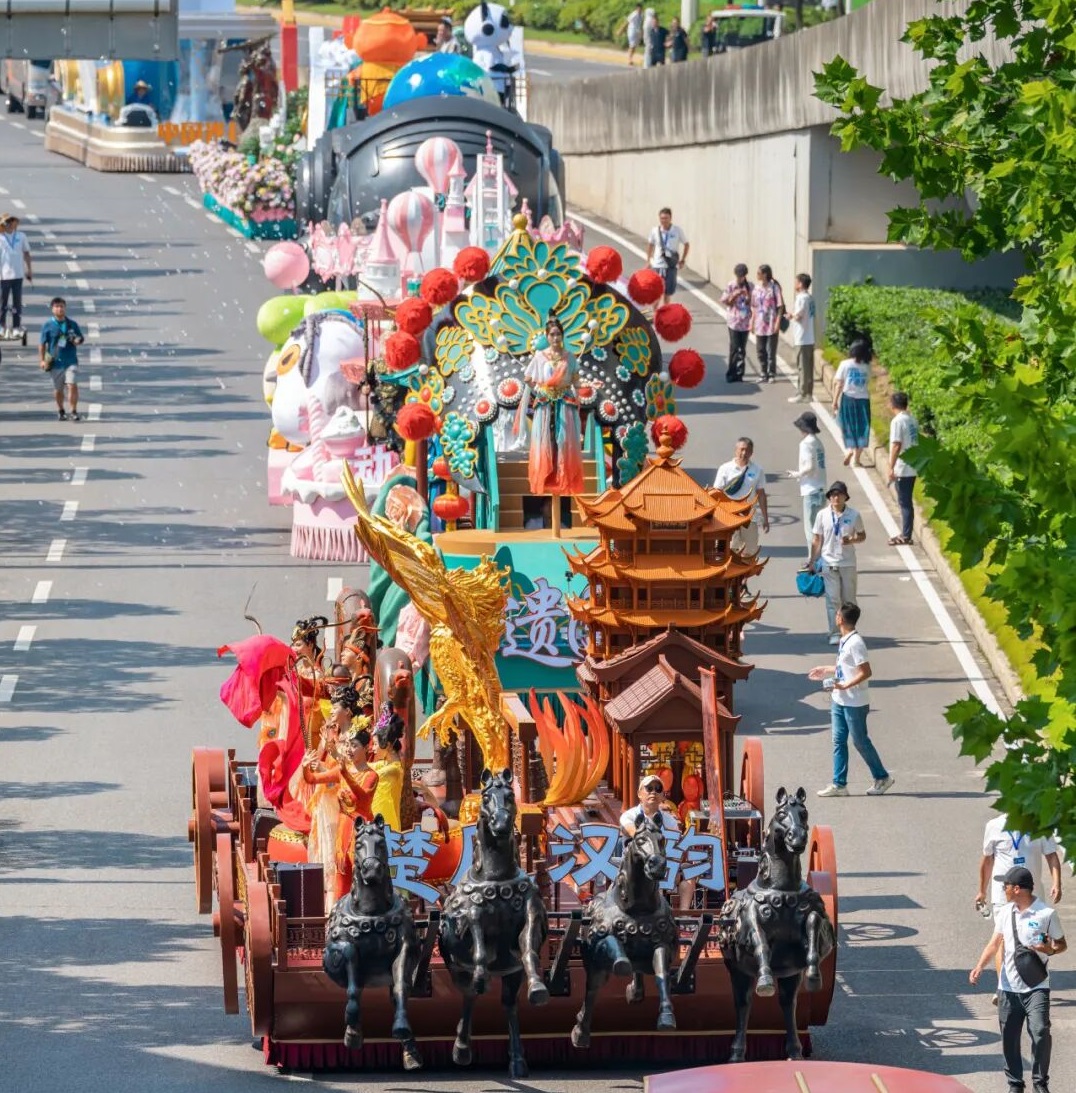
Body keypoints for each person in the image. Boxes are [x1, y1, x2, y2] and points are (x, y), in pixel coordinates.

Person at [970, 865, 1066, 1093]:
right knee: (1009, 1039)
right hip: (1008, 987)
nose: (1002, 889)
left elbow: (1062, 945)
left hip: (1036, 987)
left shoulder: (1046, 914)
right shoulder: (1005, 912)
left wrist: (1048, 950)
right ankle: (1015, 1084)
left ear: (1016, 889)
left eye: (1005, 886)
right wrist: (979, 966)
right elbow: (995, 943)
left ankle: (1040, 1083)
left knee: (1040, 1031)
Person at [809, 602, 893, 798]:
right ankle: (839, 784)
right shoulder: (845, 640)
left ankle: (882, 777)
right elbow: (846, 667)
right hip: (840, 699)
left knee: (860, 741)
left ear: (840, 619)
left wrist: (845, 685)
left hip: (854, 702)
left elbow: (866, 672)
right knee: (838, 740)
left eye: (837, 614)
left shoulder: (856, 643)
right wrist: (827, 669)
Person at [978, 816, 1063, 1007]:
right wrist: (982, 890)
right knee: (1002, 939)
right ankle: (1003, 987)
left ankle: (1037, 983)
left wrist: (1057, 882)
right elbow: (987, 860)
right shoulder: (994, 826)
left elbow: (1051, 854)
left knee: (1036, 939)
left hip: (1033, 895)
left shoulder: (1039, 823)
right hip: (1003, 894)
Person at [516, 317, 584, 500]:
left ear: (562, 336)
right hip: (545, 402)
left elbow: (576, 381)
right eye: (552, 334)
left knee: (564, 442)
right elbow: (528, 377)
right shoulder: (540, 357)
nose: (555, 338)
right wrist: (540, 386)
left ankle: (563, 477)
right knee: (545, 442)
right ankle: (547, 477)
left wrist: (579, 392)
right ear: (547, 336)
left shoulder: (569, 357)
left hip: (565, 403)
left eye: (558, 334)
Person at [620, 774, 694, 911]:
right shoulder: (629, 815)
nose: (653, 792)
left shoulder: (670, 821)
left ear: (662, 796)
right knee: (654, 875)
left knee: (689, 873)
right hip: (636, 868)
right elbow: (632, 832)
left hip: (664, 866)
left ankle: (684, 916)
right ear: (639, 794)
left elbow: (675, 847)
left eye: (658, 788)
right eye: (649, 788)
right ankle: (657, 912)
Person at [807, 480, 865, 643]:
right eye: (832, 495)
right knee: (833, 599)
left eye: (838, 494)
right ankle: (834, 632)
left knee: (849, 600)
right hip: (828, 562)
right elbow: (817, 538)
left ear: (845, 497)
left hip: (848, 563)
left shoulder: (854, 515)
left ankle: (849, 631)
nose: (835, 497)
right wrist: (812, 560)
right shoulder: (822, 515)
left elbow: (862, 536)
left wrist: (852, 540)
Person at [713, 437, 768, 556]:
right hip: (729, 518)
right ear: (735, 450)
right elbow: (716, 493)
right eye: (741, 449)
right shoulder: (725, 469)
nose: (744, 453)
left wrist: (765, 518)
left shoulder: (757, 470)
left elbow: (761, 494)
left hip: (750, 518)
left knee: (750, 552)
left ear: (752, 452)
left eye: (747, 450)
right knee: (730, 552)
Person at [787, 411, 826, 561]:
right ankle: (820, 558)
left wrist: (797, 474)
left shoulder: (806, 444)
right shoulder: (818, 443)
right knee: (819, 529)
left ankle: (813, 560)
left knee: (810, 530)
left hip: (811, 490)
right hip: (821, 489)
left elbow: (810, 466)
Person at [39, 296, 84, 422]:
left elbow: (80, 338)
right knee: (58, 389)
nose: (60, 309)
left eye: (62, 306)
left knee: (72, 384)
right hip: (55, 362)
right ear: (52, 309)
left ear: (65, 308)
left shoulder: (72, 324)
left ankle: (73, 411)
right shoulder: (47, 326)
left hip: (71, 361)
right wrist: (42, 360)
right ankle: (61, 410)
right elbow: (42, 344)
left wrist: (77, 341)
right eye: (57, 307)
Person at [833, 336, 872, 466]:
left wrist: (834, 401)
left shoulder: (845, 364)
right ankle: (857, 459)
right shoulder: (867, 367)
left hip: (848, 399)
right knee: (862, 428)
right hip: (863, 400)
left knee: (847, 426)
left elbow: (839, 384)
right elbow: (867, 382)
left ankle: (850, 449)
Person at [886, 391, 919, 546]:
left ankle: (906, 535)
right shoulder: (912, 420)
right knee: (906, 500)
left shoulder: (897, 421)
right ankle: (906, 533)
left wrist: (890, 466)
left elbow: (896, 445)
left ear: (893, 404)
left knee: (904, 502)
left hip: (903, 466)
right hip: (913, 465)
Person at [646, 208, 689, 306]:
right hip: (658, 265)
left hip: (671, 266)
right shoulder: (655, 231)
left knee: (668, 292)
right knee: (657, 292)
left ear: (670, 218)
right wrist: (648, 260)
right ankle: (656, 314)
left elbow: (686, 244)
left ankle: (665, 313)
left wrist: (682, 260)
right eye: (662, 218)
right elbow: (650, 245)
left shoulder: (677, 230)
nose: (664, 220)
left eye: (666, 218)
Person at [750, 264, 784, 383]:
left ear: (765, 274)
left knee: (771, 350)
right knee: (760, 350)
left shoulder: (774, 287)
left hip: (771, 322)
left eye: (759, 273)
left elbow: (780, 306)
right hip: (759, 323)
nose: (757, 275)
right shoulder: (756, 289)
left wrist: (777, 322)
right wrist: (752, 323)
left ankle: (771, 373)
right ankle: (763, 372)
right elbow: (754, 307)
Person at [1, 213, 33, 337]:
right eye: (6, 222)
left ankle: (16, 327)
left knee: (17, 303)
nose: (9, 224)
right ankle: (1, 326)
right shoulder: (0, 237)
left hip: (17, 275)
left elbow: (26, 253)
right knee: (2, 304)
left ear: (15, 223)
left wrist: (29, 269)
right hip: (2, 276)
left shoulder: (21, 236)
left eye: (11, 221)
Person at [720, 262, 752, 382]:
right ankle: (731, 373)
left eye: (742, 276)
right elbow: (725, 301)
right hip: (734, 321)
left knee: (742, 349)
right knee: (734, 347)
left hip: (745, 322)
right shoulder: (731, 285)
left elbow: (752, 303)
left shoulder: (750, 286)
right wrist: (734, 295)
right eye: (738, 276)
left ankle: (740, 373)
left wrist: (747, 296)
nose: (740, 278)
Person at [787, 273, 816, 403]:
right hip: (810, 337)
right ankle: (808, 393)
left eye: (796, 282)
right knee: (808, 367)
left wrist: (790, 316)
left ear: (800, 284)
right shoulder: (810, 298)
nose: (794, 284)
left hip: (802, 337)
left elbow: (799, 316)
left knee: (802, 367)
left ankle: (802, 393)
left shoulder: (801, 298)